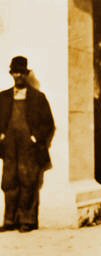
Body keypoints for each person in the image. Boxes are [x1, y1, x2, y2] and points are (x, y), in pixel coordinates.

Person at [0, 56, 55, 232]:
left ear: (26, 74)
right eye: (15, 72)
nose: (18, 76)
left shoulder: (38, 98)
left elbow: (49, 123)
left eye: (21, 72)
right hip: (9, 145)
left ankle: (27, 221)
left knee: (28, 181)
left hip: (28, 148)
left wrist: (35, 138)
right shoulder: (3, 97)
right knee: (9, 181)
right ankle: (9, 221)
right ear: (11, 74)